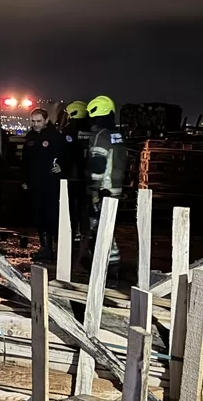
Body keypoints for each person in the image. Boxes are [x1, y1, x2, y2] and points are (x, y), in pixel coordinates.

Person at [85, 95, 125, 270]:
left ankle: (105, 264)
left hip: (103, 189)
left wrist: (94, 192)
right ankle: (112, 262)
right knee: (108, 225)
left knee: (99, 226)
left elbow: (98, 165)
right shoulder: (117, 135)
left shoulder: (100, 135)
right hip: (116, 187)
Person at [21, 107, 63, 262]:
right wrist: (24, 179)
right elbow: (25, 161)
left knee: (51, 214)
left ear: (46, 120)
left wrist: (61, 167)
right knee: (38, 214)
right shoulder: (30, 137)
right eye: (33, 121)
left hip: (51, 182)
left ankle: (57, 246)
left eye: (38, 121)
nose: (35, 124)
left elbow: (67, 155)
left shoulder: (55, 136)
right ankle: (45, 248)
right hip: (34, 182)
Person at [61, 100, 92, 242]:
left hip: (72, 174)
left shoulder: (69, 129)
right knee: (85, 205)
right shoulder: (91, 128)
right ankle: (86, 231)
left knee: (71, 205)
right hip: (88, 174)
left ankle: (73, 232)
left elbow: (64, 152)